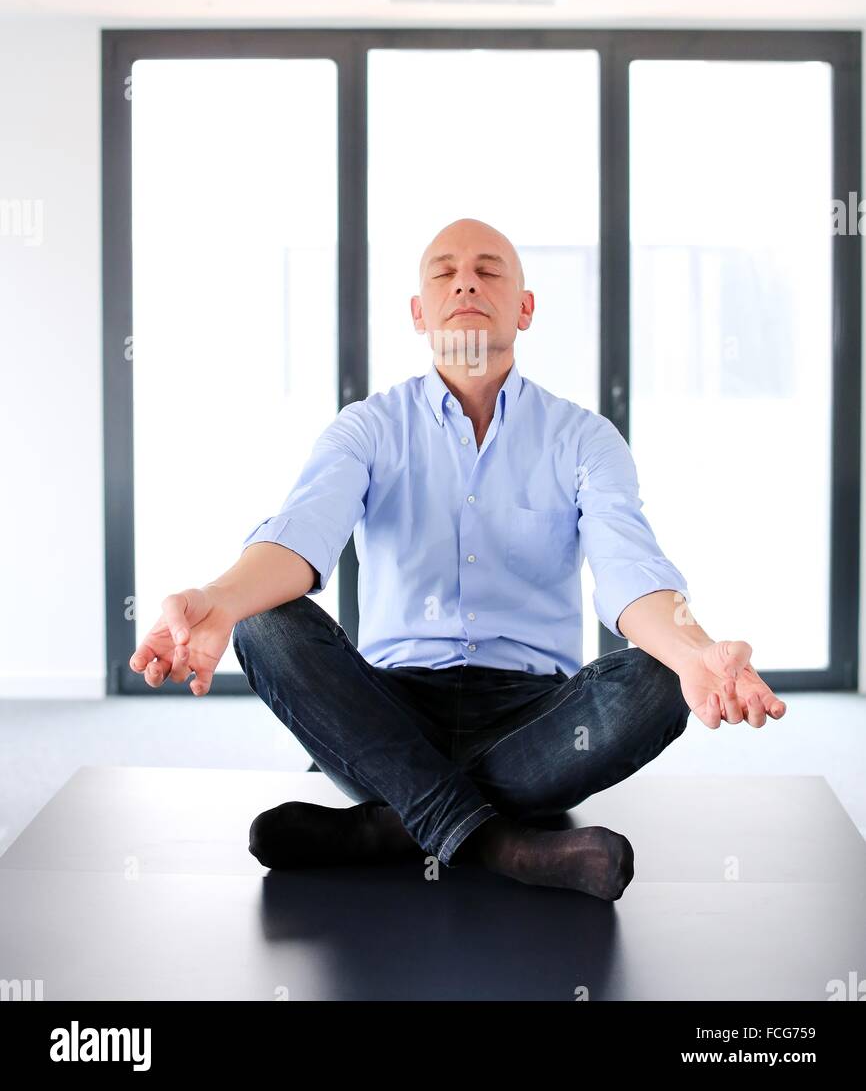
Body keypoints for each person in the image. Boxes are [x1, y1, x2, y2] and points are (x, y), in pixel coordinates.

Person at [130, 217, 787, 900]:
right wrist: (223, 599)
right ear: (420, 313)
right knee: (264, 624)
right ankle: (501, 842)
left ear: (525, 308)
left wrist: (693, 652)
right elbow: (300, 535)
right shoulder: (369, 427)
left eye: (489, 270)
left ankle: (391, 825)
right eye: (444, 272)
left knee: (659, 679)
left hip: (534, 724)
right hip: (388, 711)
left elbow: (631, 573)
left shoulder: (584, 438)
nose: (466, 280)